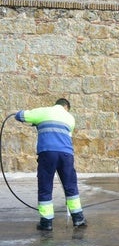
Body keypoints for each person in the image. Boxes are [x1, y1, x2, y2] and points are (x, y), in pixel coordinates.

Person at [15, 98, 87, 231]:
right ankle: (78, 218)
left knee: (45, 186)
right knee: (70, 185)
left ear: (57, 104)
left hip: (48, 153)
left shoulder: (44, 111)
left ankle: (46, 222)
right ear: (66, 107)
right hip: (66, 154)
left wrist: (22, 116)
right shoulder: (70, 118)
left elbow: (21, 116)